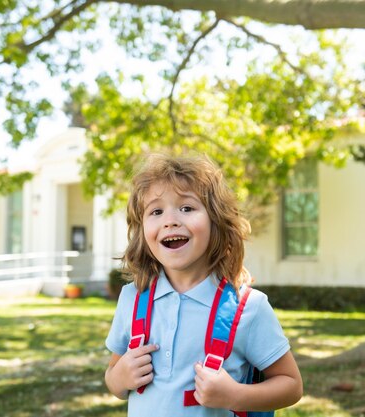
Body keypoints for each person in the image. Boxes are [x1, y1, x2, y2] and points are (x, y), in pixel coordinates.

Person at [105, 153, 303, 416]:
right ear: (142, 231)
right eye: (156, 211)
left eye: (187, 208)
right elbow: (113, 377)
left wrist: (235, 395)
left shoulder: (249, 308)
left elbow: (291, 385)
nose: (170, 220)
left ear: (216, 221)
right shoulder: (132, 298)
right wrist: (119, 379)